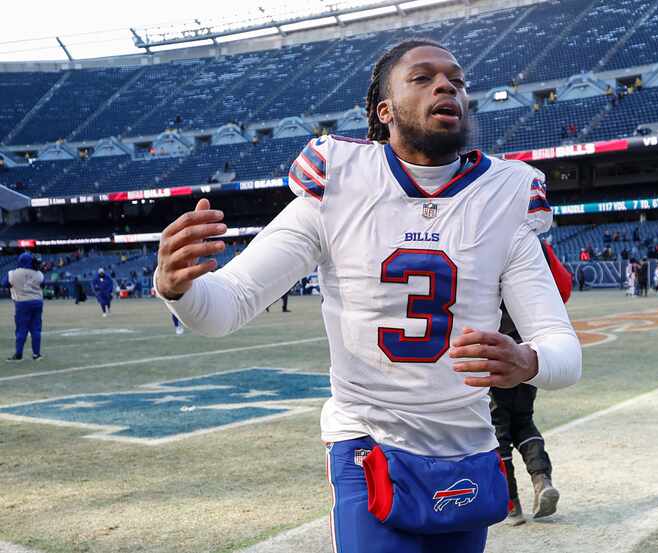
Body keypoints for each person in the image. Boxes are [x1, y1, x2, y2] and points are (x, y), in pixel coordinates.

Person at [153, 40, 581, 553]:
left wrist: (527, 361)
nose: (447, 85)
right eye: (422, 78)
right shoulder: (339, 178)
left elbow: (563, 349)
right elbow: (227, 306)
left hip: (467, 449)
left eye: (457, 80)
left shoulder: (508, 192)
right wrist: (178, 287)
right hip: (368, 440)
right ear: (384, 109)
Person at [493, 240, 572, 525]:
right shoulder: (535, 244)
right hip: (529, 349)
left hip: (495, 347)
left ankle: (510, 503)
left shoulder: (489, 234)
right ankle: (542, 480)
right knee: (523, 420)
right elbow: (564, 288)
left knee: (496, 430)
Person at [7, 252, 44, 361]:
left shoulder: (13, 273)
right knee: (36, 329)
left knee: (21, 329)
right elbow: (43, 284)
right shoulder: (39, 274)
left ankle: (19, 354)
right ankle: (36, 354)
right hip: (37, 301)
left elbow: (4, 283)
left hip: (22, 303)